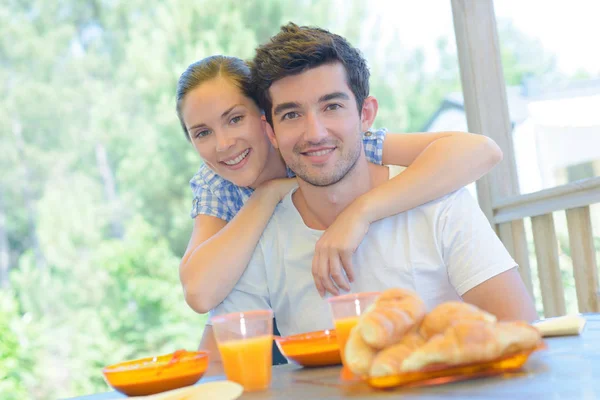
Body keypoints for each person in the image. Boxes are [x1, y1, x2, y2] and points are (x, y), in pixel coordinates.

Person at [200, 23, 537, 368]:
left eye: (331, 106)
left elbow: (520, 333)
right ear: (271, 132)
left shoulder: (441, 202)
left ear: (365, 114)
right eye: (291, 114)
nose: (314, 133)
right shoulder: (261, 234)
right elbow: (214, 369)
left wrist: (359, 214)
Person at [176, 54, 503, 314]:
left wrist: (360, 212)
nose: (223, 144)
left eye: (235, 119)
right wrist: (266, 195)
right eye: (202, 133)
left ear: (266, 118)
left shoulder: (329, 149)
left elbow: (480, 151)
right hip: (270, 309)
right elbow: (200, 292)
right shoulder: (216, 182)